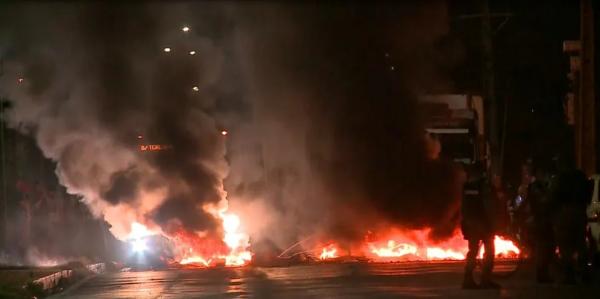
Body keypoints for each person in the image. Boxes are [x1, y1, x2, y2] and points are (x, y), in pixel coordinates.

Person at [549, 154, 592, 284]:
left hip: (565, 213)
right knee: (580, 243)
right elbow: (588, 192)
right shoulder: (580, 176)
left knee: (565, 245)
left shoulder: (561, 178)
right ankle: (585, 273)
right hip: (579, 212)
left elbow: (554, 196)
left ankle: (569, 275)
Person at [461, 162, 500, 289]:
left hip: (471, 224)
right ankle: (485, 280)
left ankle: (468, 279)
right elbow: (490, 206)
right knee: (489, 251)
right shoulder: (484, 186)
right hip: (484, 224)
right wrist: (494, 224)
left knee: (472, 251)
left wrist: (465, 223)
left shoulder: (466, 186)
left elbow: (464, 207)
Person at [526, 162, 555, 283]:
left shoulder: (542, 185)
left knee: (547, 247)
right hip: (540, 220)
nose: (544, 175)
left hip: (545, 219)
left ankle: (544, 272)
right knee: (542, 248)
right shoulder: (536, 186)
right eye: (542, 173)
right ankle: (541, 274)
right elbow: (543, 200)